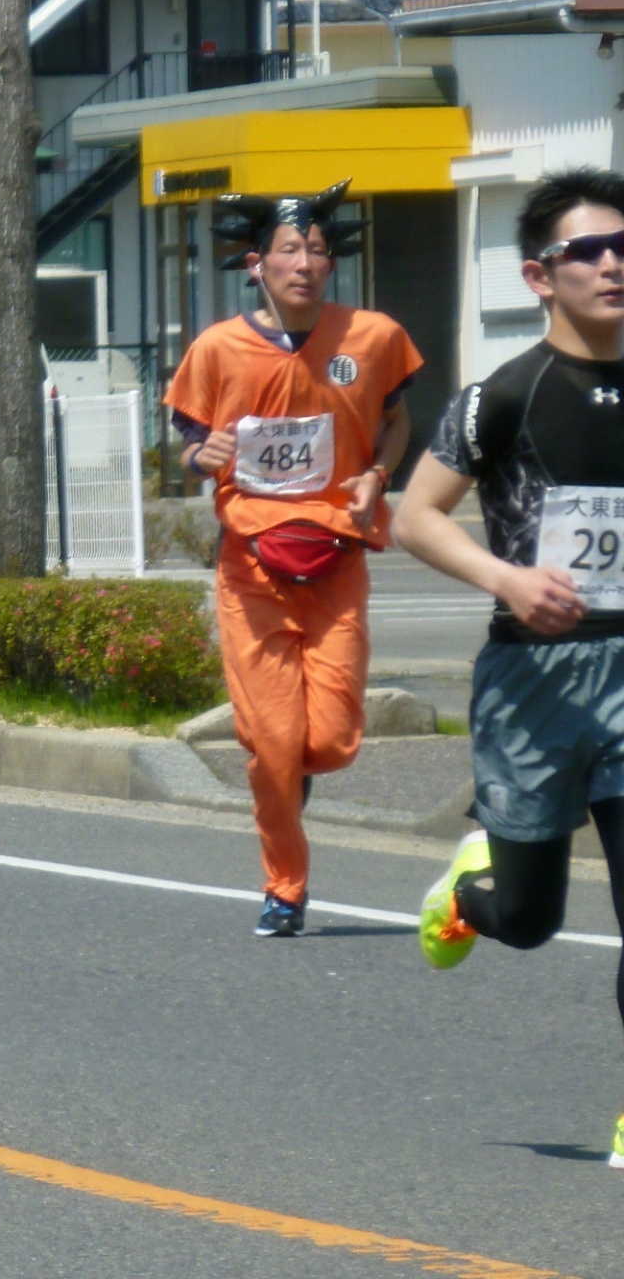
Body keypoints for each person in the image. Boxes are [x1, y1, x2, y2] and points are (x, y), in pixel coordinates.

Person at [395, 168, 624, 1171]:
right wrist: (509, 579)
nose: (614, 264)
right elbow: (413, 516)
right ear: (540, 274)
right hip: (534, 678)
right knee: (529, 922)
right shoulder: (503, 395)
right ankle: (469, 892)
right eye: (589, 251)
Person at [164, 180, 420, 937]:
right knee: (274, 746)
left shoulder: (372, 337)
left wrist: (379, 472)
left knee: (330, 742)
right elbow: (190, 449)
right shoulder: (217, 348)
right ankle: (285, 886)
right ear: (256, 264)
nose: (305, 262)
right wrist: (200, 456)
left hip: (339, 555)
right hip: (251, 563)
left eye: (317, 249)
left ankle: (290, 779)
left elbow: (397, 419)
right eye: (288, 250)